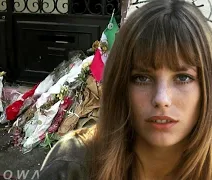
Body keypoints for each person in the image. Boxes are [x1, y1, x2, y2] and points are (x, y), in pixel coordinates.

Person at [39, 0, 212, 179]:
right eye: (142, 78)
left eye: (183, 78)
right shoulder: (72, 166)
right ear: (120, 86)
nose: (162, 99)